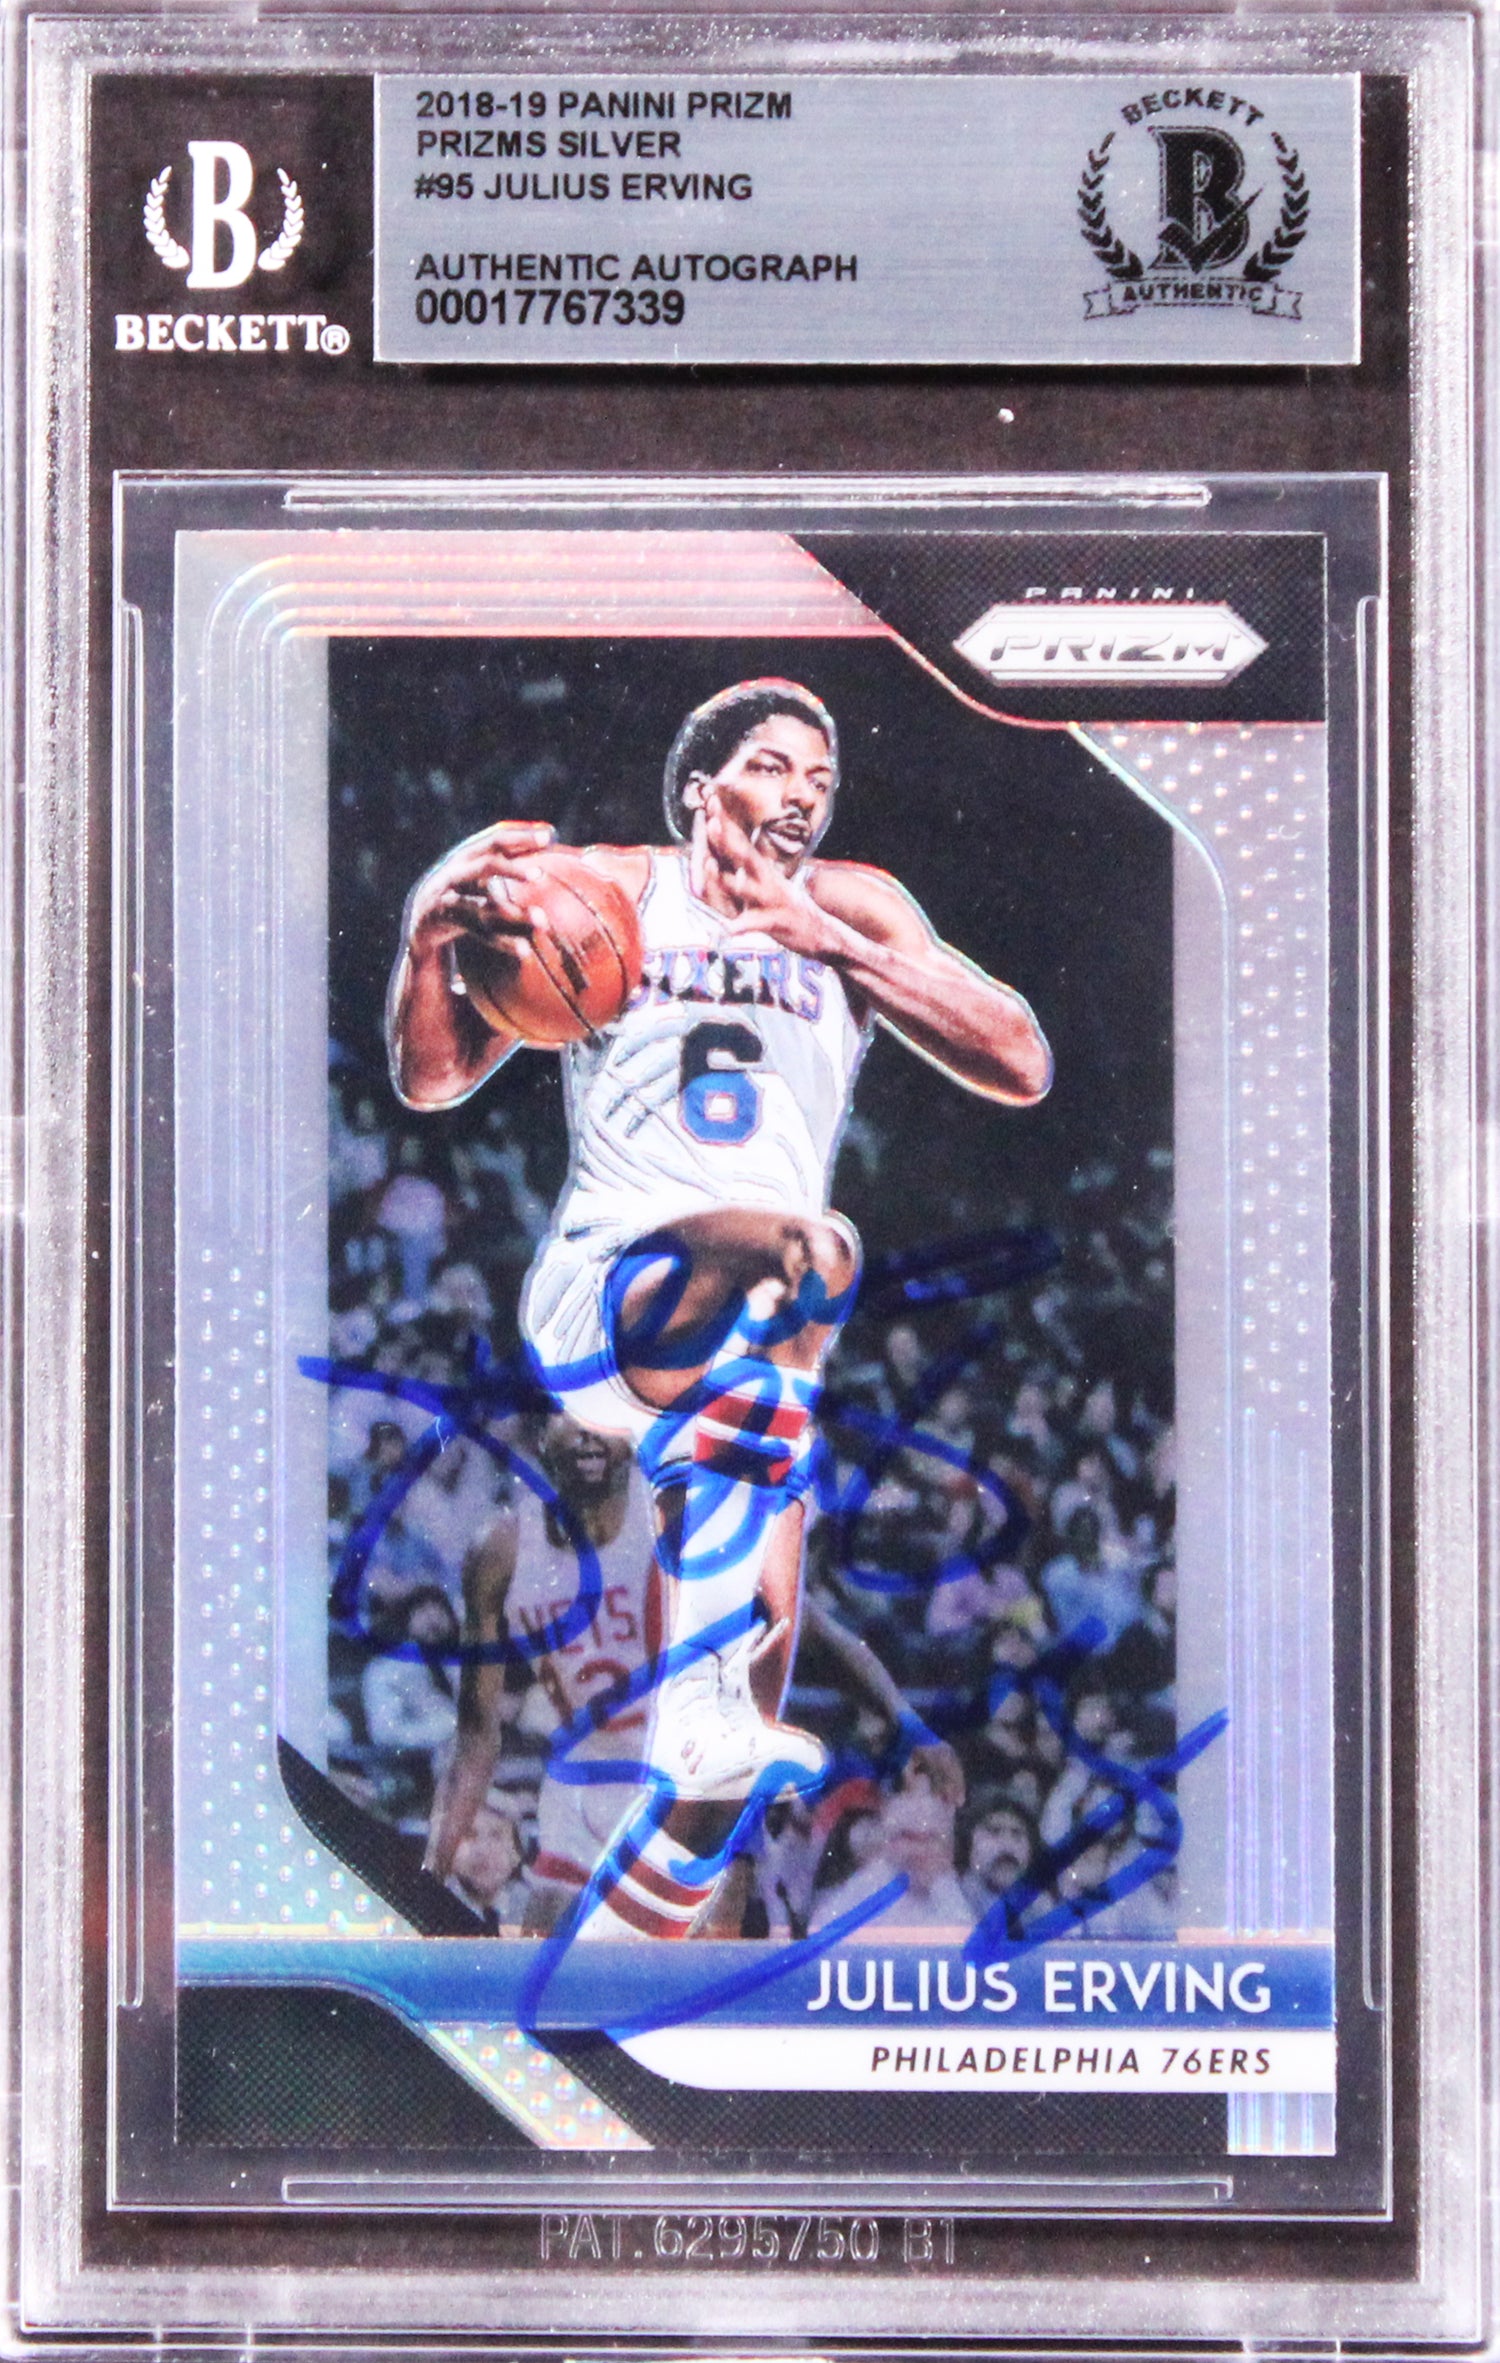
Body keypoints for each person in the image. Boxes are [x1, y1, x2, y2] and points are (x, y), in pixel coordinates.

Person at [389, 678, 1051, 1938]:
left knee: (735, 1751)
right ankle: (694, 1714)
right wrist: (430, 941)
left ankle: (606, 1980)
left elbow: (1021, 1058)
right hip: (612, 1294)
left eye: (821, 778)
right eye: (772, 765)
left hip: (752, 1362)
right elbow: (431, 1078)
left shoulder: (854, 904)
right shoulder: (607, 890)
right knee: (813, 1245)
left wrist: (829, 941)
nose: (802, 793)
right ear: (701, 788)